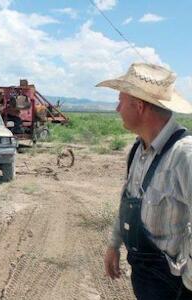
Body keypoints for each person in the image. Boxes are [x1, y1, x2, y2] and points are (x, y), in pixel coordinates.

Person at [96, 62, 192, 299]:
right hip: (146, 277)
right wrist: (114, 244)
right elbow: (128, 199)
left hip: (176, 287)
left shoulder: (184, 156)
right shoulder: (138, 150)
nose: (117, 108)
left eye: (120, 100)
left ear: (139, 106)